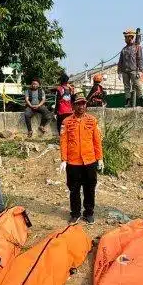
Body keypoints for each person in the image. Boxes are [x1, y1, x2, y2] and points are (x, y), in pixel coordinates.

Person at [59, 95, 103, 224]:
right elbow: (63, 141)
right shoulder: (66, 122)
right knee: (74, 189)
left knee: (90, 188)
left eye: (83, 104)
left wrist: (100, 158)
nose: (81, 106)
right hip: (73, 162)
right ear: (73, 106)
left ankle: (88, 213)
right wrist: (63, 159)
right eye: (78, 104)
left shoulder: (92, 120)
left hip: (90, 161)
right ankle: (75, 213)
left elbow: (97, 140)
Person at [117, 29, 143, 107]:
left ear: (131, 37)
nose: (125, 39)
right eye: (125, 37)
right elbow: (120, 61)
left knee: (137, 85)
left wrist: (140, 70)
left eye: (126, 37)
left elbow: (139, 59)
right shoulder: (124, 49)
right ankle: (127, 101)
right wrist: (119, 72)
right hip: (125, 71)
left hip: (134, 70)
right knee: (126, 86)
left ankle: (141, 100)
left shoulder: (137, 47)